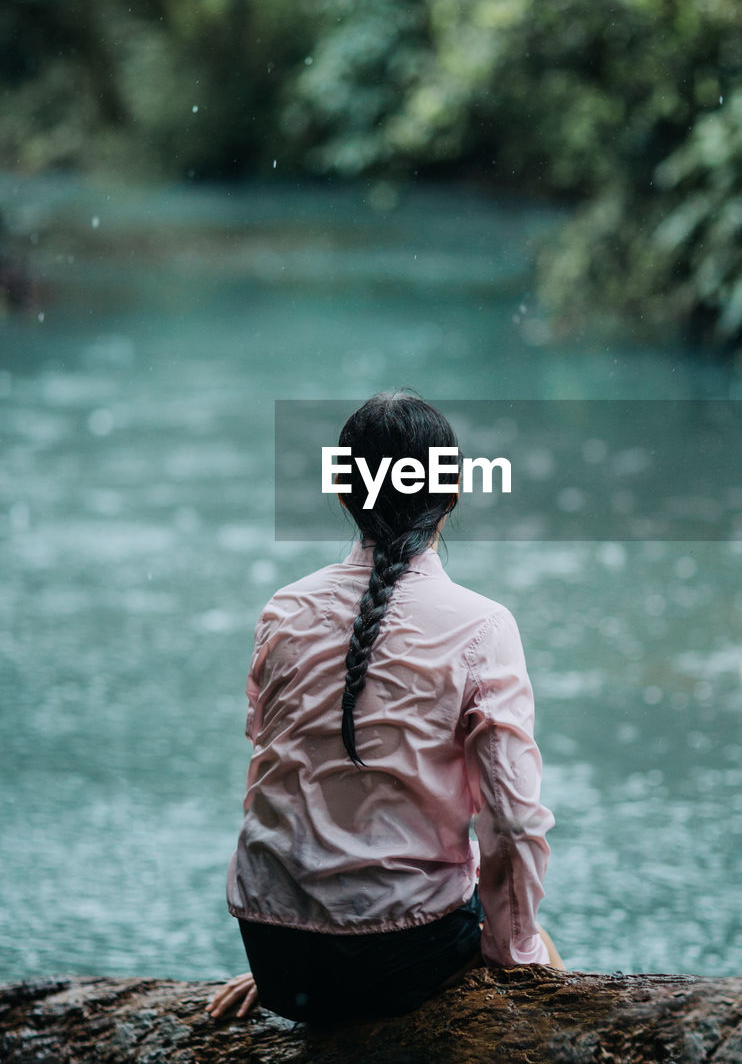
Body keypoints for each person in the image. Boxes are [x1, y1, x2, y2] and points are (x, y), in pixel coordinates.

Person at [206, 391, 564, 1026]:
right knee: (536, 948)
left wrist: (292, 947)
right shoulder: (484, 627)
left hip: (277, 954)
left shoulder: (284, 611)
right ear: (452, 495)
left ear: (345, 494)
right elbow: (512, 826)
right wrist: (516, 954)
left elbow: (275, 770)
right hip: (397, 959)